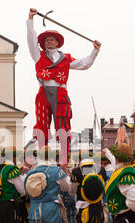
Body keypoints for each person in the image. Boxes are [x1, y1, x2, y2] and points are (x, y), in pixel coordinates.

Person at [27, 8, 101, 164]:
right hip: (44, 92)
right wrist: (30, 20)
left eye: (52, 39)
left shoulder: (66, 58)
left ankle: (64, 161)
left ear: (57, 42)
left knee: (63, 126)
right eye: (46, 40)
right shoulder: (38, 55)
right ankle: (43, 158)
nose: (49, 42)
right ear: (43, 43)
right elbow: (31, 40)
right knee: (42, 125)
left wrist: (95, 50)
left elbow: (84, 64)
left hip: (60, 93)